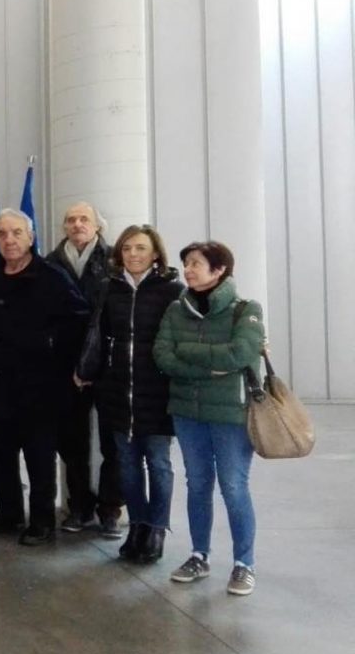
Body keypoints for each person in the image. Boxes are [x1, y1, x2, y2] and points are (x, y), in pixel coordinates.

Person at [0, 209, 89, 546]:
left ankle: (41, 522)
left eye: (17, 233)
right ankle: (9, 515)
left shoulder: (52, 276)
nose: (9, 240)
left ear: (31, 237)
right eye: (2, 234)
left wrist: (48, 343)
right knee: (2, 457)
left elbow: (78, 320)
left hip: (41, 390)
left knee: (40, 461)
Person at [154, 241, 264, 596]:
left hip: (231, 414)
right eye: (186, 263)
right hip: (188, 412)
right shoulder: (176, 310)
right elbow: (162, 356)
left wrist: (190, 355)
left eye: (196, 263)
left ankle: (244, 564)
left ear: (219, 270)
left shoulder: (245, 310)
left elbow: (241, 353)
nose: (188, 269)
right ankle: (199, 555)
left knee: (233, 486)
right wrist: (212, 365)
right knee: (198, 484)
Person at [77, 224, 182, 564]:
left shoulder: (173, 290)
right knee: (127, 466)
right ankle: (136, 524)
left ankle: (156, 528)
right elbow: (98, 333)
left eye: (140, 248)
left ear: (155, 253)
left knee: (159, 464)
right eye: (127, 249)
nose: (133, 254)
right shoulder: (111, 289)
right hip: (117, 390)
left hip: (158, 392)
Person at [46, 201, 122, 535]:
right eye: (70, 219)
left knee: (113, 444)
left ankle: (110, 509)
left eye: (84, 219)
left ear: (97, 226)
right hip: (64, 365)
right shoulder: (50, 263)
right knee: (72, 442)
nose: (77, 224)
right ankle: (79, 507)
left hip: (106, 365)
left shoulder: (115, 262)